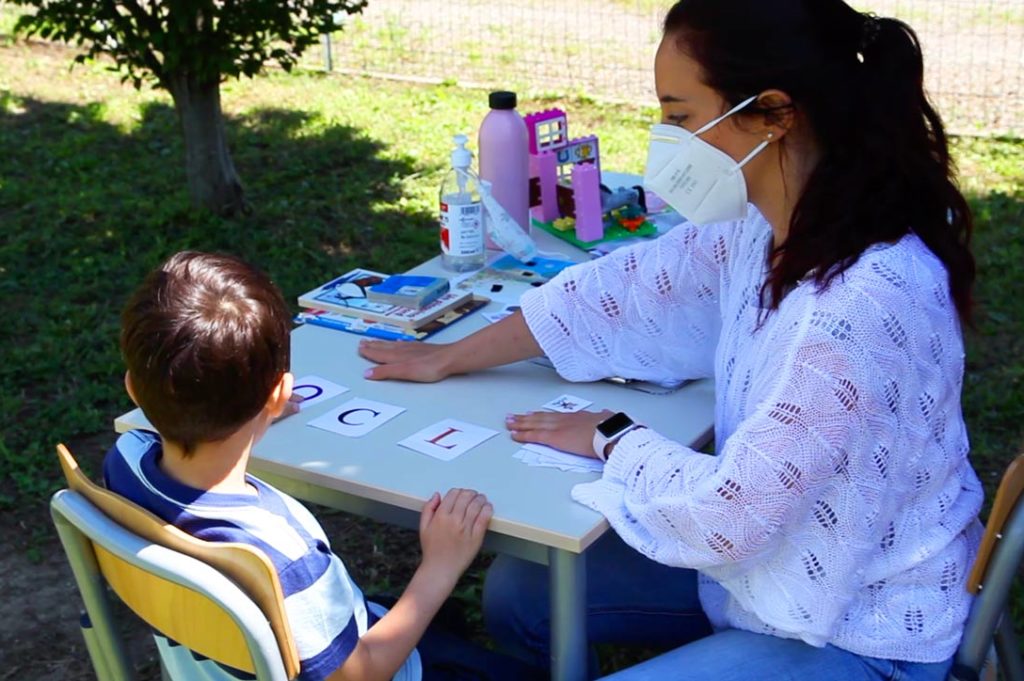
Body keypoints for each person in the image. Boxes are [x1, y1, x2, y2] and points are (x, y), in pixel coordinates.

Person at [357, 0, 984, 678]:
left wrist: (614, 434)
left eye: (682, 117)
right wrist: (450, 353)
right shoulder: (768, 223)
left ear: (774, 114)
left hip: (859, 628)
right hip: (763, 570)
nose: (666, 138)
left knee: (540, 590)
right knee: (522, 595)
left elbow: (734, 512)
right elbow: (623, 291)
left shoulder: (863, 298)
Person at [104, 251, 539, 681]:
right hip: (380, 669)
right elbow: (358, 675)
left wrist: (250, 412)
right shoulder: (284, 559)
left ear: (132, 388)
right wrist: (441, 565)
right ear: (279, 394)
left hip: (213, 665)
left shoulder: (124, 461)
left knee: (446, 622)